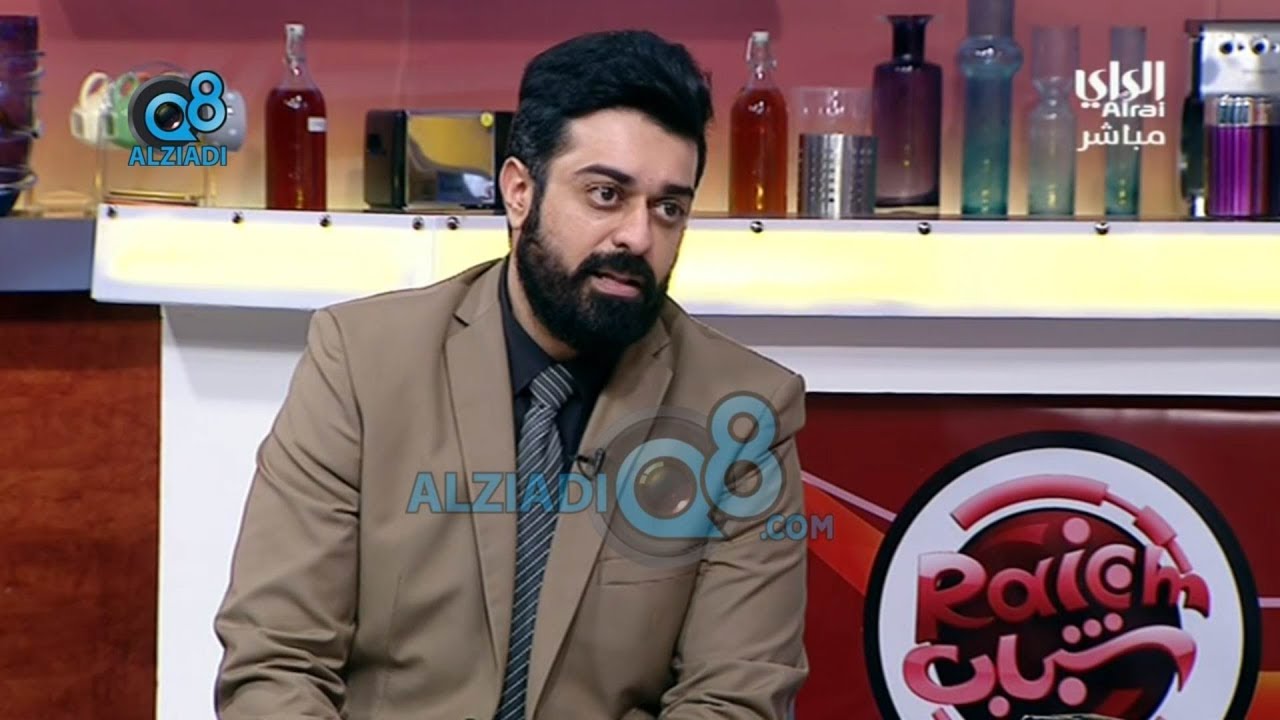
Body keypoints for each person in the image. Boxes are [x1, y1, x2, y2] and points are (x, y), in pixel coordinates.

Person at [213, 29, 809, 720]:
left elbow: (733, 699)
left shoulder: (742, 414)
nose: (639, 237)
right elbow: (277, 661)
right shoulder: (363, 363)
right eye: (606, 194)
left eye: (668, 208)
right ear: (520, 191)